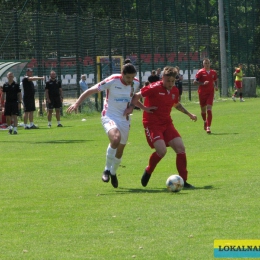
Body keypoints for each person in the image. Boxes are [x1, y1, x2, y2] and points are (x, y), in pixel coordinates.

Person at [67, 63, 145, 188]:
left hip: (124, 119)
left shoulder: (135, 83)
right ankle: (107, 170)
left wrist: (136, 107)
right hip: (109, 115)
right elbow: (91, 90)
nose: (130, 80)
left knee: (120, 151)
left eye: (132, 78)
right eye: (128, 78)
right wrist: (77, 103)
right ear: (122, 74)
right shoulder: (113, 80)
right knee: (115, 139)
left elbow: (134, 99)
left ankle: (113, 173)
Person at [124, 66, 197, 188]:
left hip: (167, 123)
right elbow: (136, 96)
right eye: (168, 81)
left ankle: (183, 181)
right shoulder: (154, 87)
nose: (170, 84)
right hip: (152, 124)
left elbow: (176, 104)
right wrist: (140, 108)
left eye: (172, 81)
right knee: (162, 151)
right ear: (162, 78)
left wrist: (189, 114)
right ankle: (149, 170)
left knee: (181, 148)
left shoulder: (174, 90)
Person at [193, 58, 218, 134]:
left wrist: (216, 86)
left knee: (209, 109)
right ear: (203, 64)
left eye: (208, 63)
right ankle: (205, 121)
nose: (207, 64)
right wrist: (203, 83)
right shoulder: (200, 72)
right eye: (205, 63)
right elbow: (195, 82)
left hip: (210, 93)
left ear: (210, 64)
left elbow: (216, 80)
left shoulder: (213, 72)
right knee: (203, 110)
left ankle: (208, 127)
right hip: (202, 93)